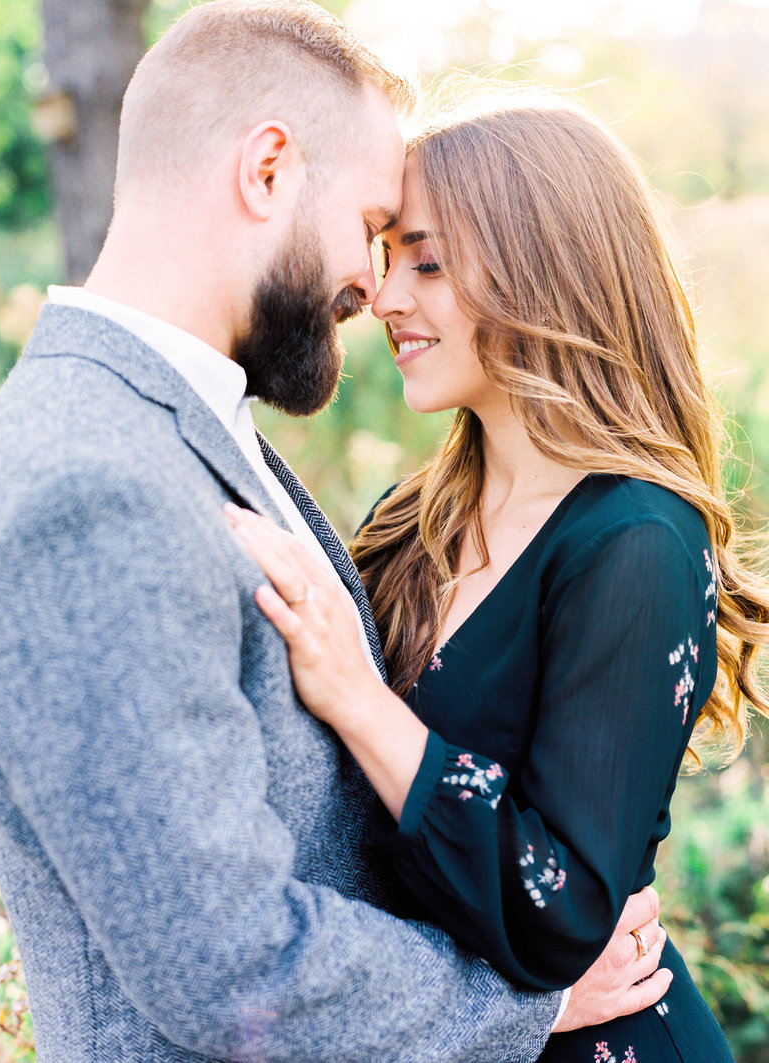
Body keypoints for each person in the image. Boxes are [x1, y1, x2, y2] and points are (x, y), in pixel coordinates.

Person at [0, 5, 667, 1061]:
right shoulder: (87, 484)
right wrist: (527, 1006)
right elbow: (228, 961)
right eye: (372, 224)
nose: (370, 283)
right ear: (267, 172)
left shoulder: (176, 424)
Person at [226, 96, 769, 1063]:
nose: (387, 299)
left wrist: (359, 698)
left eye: (426, 261)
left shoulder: (636, 539)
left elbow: (561, 910)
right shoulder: (410, 520)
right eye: (388, 256)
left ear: (542, 269)